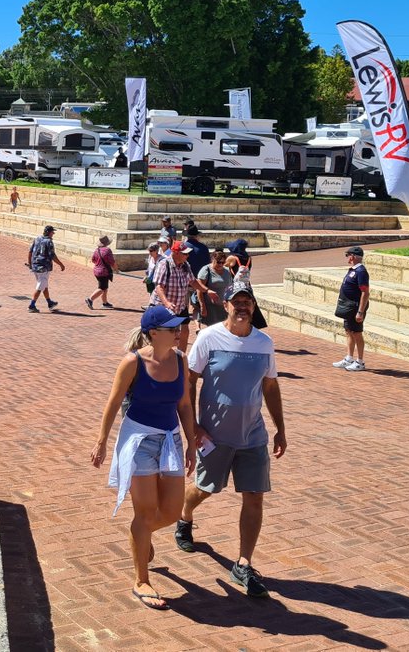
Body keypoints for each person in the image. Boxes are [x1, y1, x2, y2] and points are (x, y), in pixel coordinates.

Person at [173, 284, 286, 599]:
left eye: (247, 302)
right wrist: (194, 425)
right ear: (225, 304)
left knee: (255, 496)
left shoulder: (264, 343)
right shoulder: (209, 337)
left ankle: (243, 563)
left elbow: (271, 386)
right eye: (237, 302)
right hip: (215, 434)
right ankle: (184, 516)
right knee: (205, 488)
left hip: (253, 434)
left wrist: (281, 428)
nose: (242, 307)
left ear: (253, 307)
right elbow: (190, 380)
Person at [92, 309, 197, 610]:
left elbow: (185, 404)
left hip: (171, 440)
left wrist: (190, 442)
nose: (178, 332)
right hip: (138, 441)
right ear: (154, 333)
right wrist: (101, 441)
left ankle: (141, 535)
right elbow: (113, 402)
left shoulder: (181, 360)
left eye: (178, 327)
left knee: (172, 511)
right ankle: (141, 579)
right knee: (146, 512)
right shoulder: (133, 362)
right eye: (170, 328)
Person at [150, 241, 219, 350]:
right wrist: (166, 303)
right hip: (163, 306)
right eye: (185, 253)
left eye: (187, 253)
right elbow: (159, 287)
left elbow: (193, 282)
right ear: (176, 253)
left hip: (180, 305)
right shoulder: (164, 264)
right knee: (162, 333)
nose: (188, 256)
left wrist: (207, 291)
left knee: (184, 330)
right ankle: (156, 354)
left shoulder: (185, 265)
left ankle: (180, 356)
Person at [332, 246, 371, 372]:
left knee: (357, 333)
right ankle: (349, 358)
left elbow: (365, 293)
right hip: (348, 307)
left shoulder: (361, 271)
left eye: (348, 255)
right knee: (349, 331)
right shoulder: (353, 270)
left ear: (353, 256)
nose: (347, 258)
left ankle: (360, 361)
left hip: (355, 307)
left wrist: (360, 311)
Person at [27, 225, 64, 312]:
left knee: (44, 285)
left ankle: (49, 302)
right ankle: (32, 305)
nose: (53, 233)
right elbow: (52, 256)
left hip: (35, 266)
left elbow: (30, 251)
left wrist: (30, 263)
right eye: (52, 232)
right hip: (43, 267)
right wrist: (61, 264)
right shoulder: (49, 242)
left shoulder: (37, 238)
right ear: (49, 232)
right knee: (40, 286)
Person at [196, 250, 233, 327]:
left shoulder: (227, 271)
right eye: (218, 262)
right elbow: (199, 288)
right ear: (213, 259)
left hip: (224, 306)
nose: (221, 264)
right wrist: (203, 306)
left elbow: (230, 287)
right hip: (210, 307)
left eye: (223, 262)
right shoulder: (206, 270)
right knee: (213, 329)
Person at [182, 226, 211, 318]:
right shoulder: (204, 248)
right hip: (200, 282)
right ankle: (197, 324)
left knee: (182, 308)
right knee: (197, 306)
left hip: (184, 281)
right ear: (196, 236)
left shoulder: (183, 247)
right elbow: (208, 265)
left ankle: (183, 325)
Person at [87, 235, 117, 310]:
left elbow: (93, 260)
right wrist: (116, 269)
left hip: (97, 271)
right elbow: (112, 262)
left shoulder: (97, 250)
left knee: (105, 287)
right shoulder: (107, 250)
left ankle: (105, 303)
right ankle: (90, 299)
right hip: (104, 272)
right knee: (102, 288)